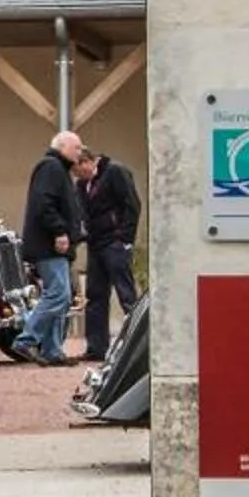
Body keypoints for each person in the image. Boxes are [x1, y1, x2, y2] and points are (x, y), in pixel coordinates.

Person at [16, 128, 85, 364]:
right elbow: (43, 202)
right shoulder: (50, 167)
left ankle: (52, 350)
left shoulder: (60, 170)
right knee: (58, 294)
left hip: (58, 246)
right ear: (62, 147)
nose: (80, 152)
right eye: (76, 147)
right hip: (49, 245)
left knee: (62, 297)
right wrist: (60, 230)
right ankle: (26, 338)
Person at [75, 144, 141, 362]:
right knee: (95, 295)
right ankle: (96, 347)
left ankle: (138, 343)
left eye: (78, 169)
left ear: (87, 161)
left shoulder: (115, 172)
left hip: (114, 241)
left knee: (126, 293)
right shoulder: (81, 184)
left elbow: (132, 203)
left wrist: (125, 239)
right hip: (96, 243)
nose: (77, 175)